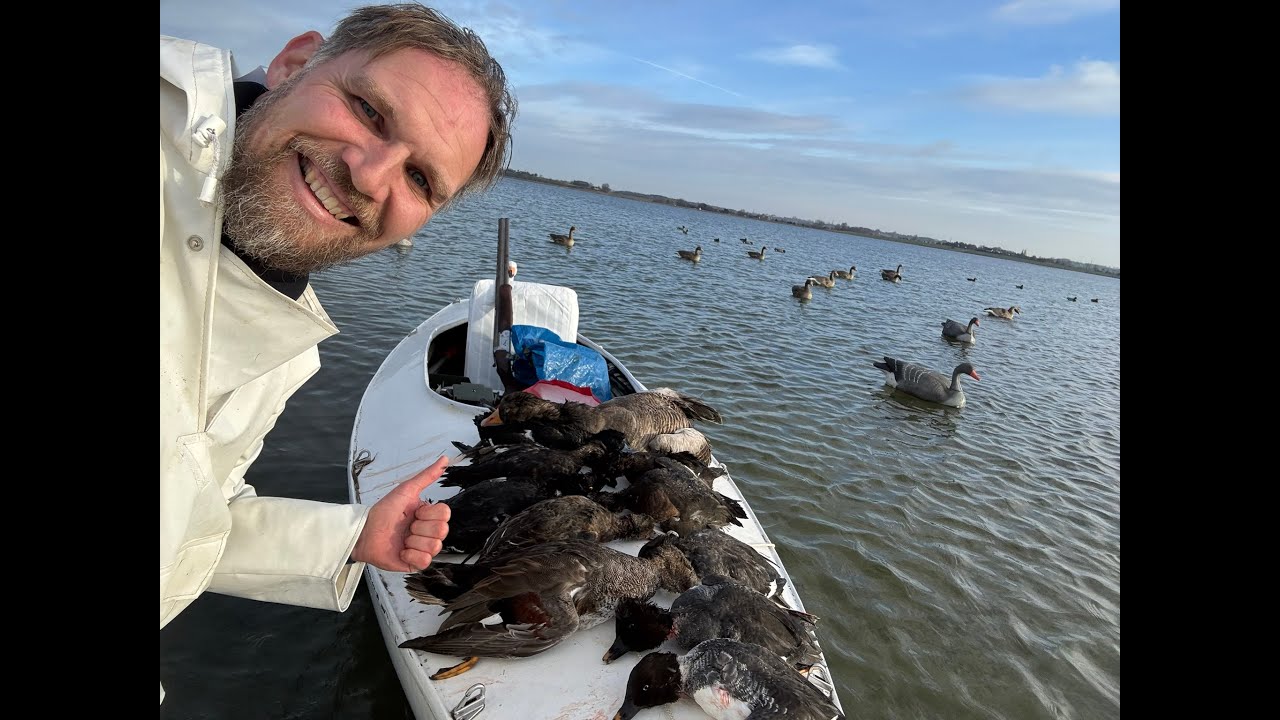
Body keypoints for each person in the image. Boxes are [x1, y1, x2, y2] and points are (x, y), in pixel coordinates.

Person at [160, 3, 517, 704]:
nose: (369, 172)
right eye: (370, 112)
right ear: (294, 63)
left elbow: (188, 522)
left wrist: (353, 535)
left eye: (420, 180)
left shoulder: (284, 343)